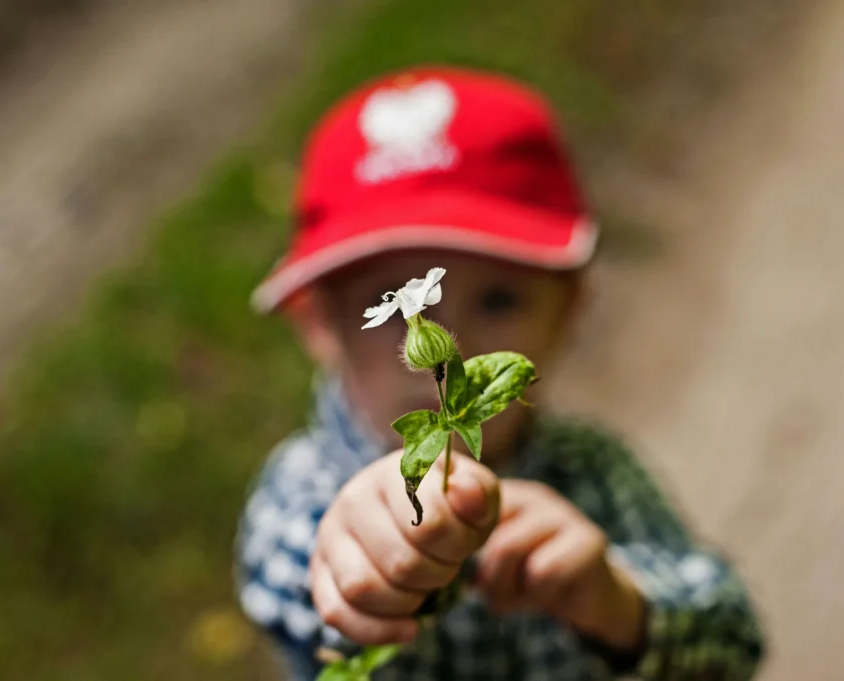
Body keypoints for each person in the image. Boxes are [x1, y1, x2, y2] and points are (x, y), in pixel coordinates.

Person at [235, 65, 766, 680]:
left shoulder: (591, 472)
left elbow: (731, 638)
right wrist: (362, 556)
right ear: (319, 324)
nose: (452, 352)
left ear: (567, 312)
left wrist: (617, 601)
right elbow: (295, 596)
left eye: (498, 302)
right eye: (395, 306)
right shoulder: (303, 491)